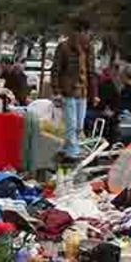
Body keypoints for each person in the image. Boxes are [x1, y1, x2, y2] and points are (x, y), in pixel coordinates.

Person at [50, 22, 97, 160]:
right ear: (80, 33)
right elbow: (56, 70)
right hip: (68, 91)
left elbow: (91, 72)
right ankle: (73, 152)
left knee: (78, 126)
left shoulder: (89, 49)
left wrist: (94, 95)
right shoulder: (64, 47)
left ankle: (66, 149)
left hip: (82, 92)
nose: (89, 36)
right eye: (87, 34)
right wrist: (56, 91)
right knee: (71, 124)